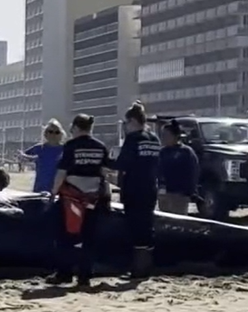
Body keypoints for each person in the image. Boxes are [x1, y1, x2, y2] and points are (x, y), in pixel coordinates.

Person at [49, 114, 113, 287]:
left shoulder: (71, 146)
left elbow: (61, 173)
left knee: (65, 236)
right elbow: (104, 173)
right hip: (92, 198)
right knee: (89, 237)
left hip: (71, 199)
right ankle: (85, 275)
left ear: (76, 128)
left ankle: (65, 273)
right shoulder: (100, 147)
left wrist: (53, 193)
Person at [114, 101, 161, 280]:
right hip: (150, 188)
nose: (125, 127)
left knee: (135, 228)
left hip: (134, 189)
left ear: (132, 121)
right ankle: (146, 267)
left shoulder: (133, 139)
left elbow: (123, 163)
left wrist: (106, 164)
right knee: (147, 227)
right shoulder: (154, 139)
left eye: (126, 123)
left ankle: (137, 269)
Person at [158, 120, 199, 215]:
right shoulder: (163, 152)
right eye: (162, 135)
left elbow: (193, 173)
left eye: (166, 135)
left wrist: (190, 192)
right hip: (164, 194)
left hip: (180, 195)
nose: (163, 138)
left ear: (175, 136)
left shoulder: (186, 152)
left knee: (179, 221)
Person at [19, 119, 65, 194]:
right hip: (39, 189)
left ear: (61, 134)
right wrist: (22, 157)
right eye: (50, 132)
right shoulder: (39, 148)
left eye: (57, 132)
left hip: (58, 191)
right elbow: (24, 156)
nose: (53, 135)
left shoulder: (65, 149)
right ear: (46, 133)